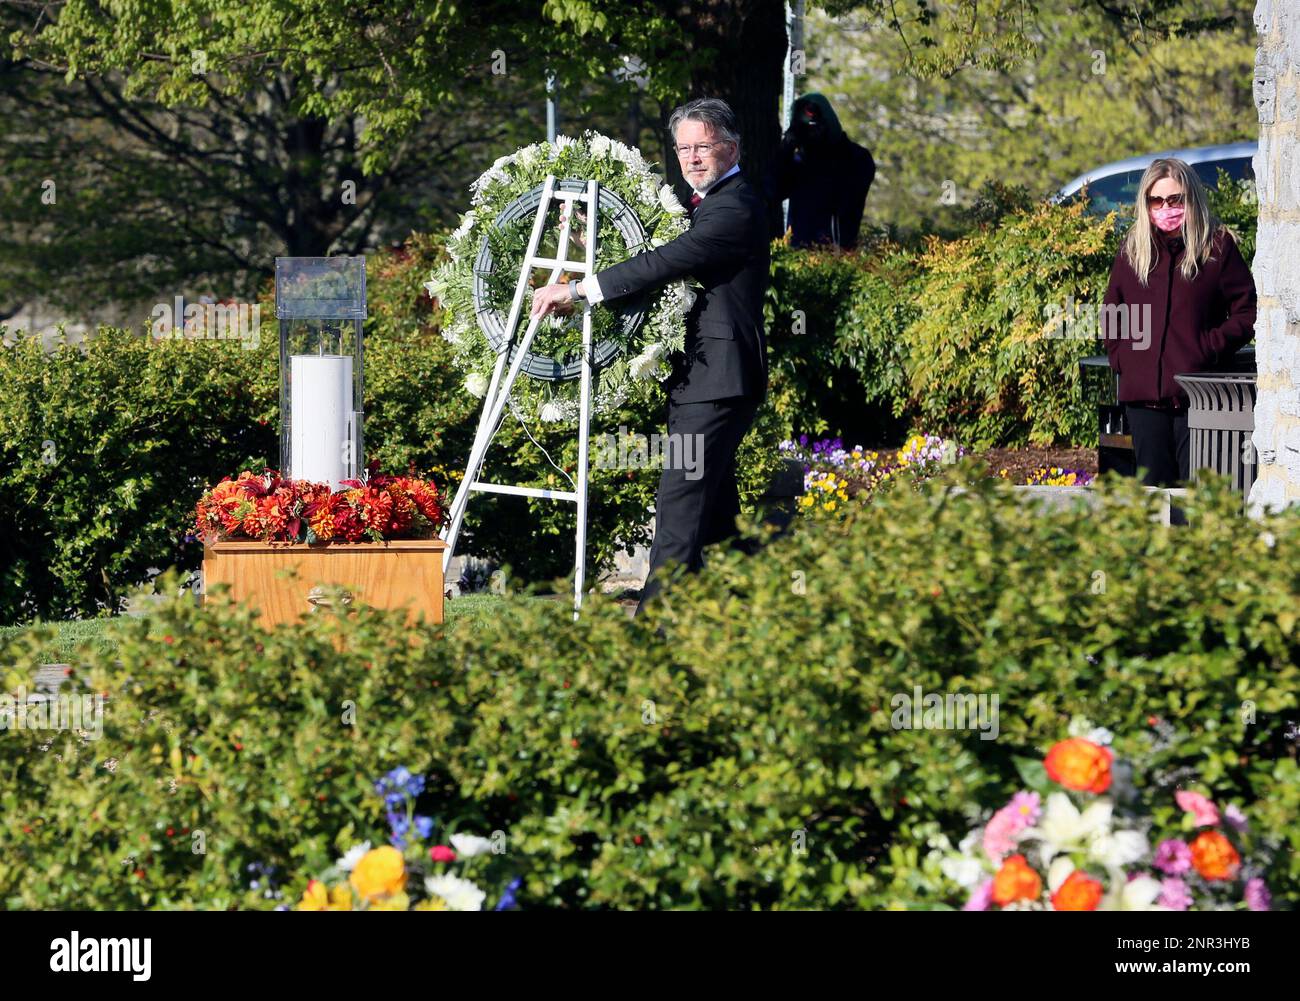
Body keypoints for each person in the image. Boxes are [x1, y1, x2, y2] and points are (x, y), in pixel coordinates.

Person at [530, 98, 769, 616]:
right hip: (703, 381)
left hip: (718, 383)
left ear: (730, 147)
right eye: (683, 148)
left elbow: (668, 261)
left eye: (701, 147)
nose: (691, 158)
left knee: (681, 507)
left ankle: (653, 640)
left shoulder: (735, 206)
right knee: (716, 516)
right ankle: (745, 629)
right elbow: (651, 255)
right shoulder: (701, 204)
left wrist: (581, 290)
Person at [1101, 158, 1256, 494]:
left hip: (1197, 402)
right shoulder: (1133, 250)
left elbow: (1246, 312)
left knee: (1194, 504)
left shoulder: (1216, 247)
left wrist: (1208, 347)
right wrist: (1123, 359)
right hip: (1144, 405)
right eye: (1156, 201)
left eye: (1175, 199)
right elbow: (1112, 311)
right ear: (1146, 204)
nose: (1166, 208)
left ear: (1191, 199)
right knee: (1153, 502)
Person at [768, 92, 875, 249]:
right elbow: (772, 191)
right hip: (800, 253)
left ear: (829, 123)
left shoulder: (856, 158)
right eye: (807, 129)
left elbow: (849, 196)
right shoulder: (799, 162)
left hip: (837, 253)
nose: (812, 134)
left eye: (816, 128)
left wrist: (824, 152)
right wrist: (786, 149)